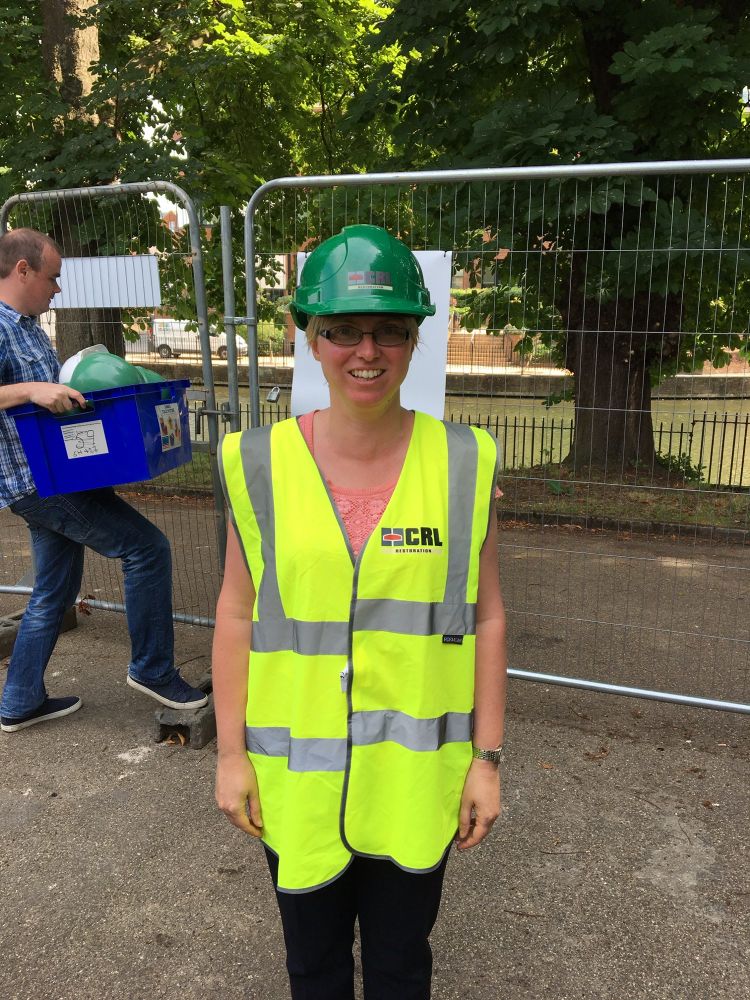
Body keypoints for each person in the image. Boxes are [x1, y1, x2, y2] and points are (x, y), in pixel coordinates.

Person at [213, 224, 507, 1000]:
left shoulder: (464, 462)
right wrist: (230, 755)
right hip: (297, 787)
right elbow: (237, 614)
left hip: (414, 786)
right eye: (340, 329)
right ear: (308, 337)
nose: (364, 351)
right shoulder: (258, 463)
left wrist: (488, 759)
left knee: (402, 965)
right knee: (311, 968)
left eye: (388, 330)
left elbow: (489, 618)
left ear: (415, 340)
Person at [0, 227, 208, 733]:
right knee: (147, 549)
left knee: (54, 590)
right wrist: (31, 390)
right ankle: (153, 669)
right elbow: (26, 394)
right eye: (52, 277)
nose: (58, 289)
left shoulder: (26, 326)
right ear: (22, 270)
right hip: (39, 483)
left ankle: (19, 701)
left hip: (59, 474)